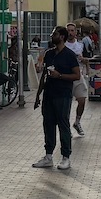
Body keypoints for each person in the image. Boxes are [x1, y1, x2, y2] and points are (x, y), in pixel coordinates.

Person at [33, 27, 81, 170]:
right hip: (49, 95)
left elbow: (77, 75)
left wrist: (60, 76)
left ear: (62, 37)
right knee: (48, 125)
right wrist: (38, 95)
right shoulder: (49, 54)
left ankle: (66, 157)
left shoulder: (70, 55)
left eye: (55, 34)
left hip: (63, 95)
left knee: (63, 125)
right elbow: (44, 76)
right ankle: (48, 156)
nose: (52, 36)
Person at [66, 22, 89, 136]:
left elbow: (87, 59)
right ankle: (66, 128)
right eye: (68, 31)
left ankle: (77, 122)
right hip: (66, 77)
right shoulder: (63, 45)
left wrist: (83, 59)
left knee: (82, 100)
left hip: (78, 76)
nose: (70, 33)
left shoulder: (80, 45)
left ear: (75, 32)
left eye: (72, 30)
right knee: (66, 104)